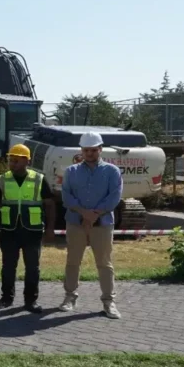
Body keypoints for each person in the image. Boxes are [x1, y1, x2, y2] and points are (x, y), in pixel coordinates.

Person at [59, 132, 123, 319]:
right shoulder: (71, 171)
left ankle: (109, 301)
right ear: (81, 150)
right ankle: (70, 297)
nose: (89, 153)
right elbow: (66, 196)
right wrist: (83, 212)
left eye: (93, 150)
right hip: (75, 222)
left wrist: (95, 214)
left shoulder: (112, 171)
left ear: (100, 149)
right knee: (73, 261)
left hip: (102, 224)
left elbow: (114, 196)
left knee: (104, 263)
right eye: (86, 150)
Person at [0, 144, 56, 312]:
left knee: (32, 268)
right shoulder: (2, 179)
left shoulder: (39, 179)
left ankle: (31, 301)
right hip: (9, 231)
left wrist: (50, 229)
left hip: (32, 231)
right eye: (11, 160)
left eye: (16, 160)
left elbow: (49, 205)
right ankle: (6, 298)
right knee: (8, 266)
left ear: (27, 161)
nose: (13, 163)